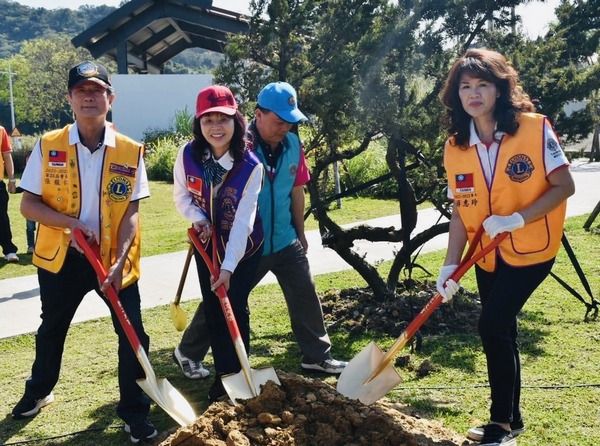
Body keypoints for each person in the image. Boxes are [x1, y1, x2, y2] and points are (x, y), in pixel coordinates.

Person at [12, 61, 157, 443]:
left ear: (111, 98)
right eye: (81, 91)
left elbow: (132, 212)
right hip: (62, 259)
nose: (89, 97)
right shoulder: (48, 144)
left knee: (133, 335)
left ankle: (134, 410)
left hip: (113, 262)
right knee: (51, 330)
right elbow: (28, 205)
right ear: (70, 99)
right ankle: (40, 391)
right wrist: (71, 225)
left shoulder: (130, 150)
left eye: (97, 91)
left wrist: (120, 260)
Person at [437, 48, 574, 446]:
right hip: (487, 255)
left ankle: (499, 426)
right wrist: (449, 267)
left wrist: (518, 219)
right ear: (457, 95)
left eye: (483, 84)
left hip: (532, 249)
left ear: (499, 89)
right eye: (466, 86)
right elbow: (461, 213)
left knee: (491, 324)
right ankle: (511, 420)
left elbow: (565, 186)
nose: (473, 93)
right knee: (503, 330)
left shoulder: (533, 129)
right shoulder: (455, 147)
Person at [173, 81, 347, 378]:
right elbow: (204, 190)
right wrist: (201, 219)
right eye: (280, 121)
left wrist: (301, 232)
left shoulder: (293, 145)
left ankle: (317, 356)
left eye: (291, 122)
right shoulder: (236, 145)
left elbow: (297, 190)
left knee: (304, 292)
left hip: (284, 239)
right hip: (248, 244)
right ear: (258, 115)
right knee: (226, 299)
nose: (285, 128)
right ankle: (188, 351)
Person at [172, 85, 264, 401]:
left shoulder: (251, 166)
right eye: (207, 119)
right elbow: (181, 197)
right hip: (206, 246)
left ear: (236, 121)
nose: (215, 127)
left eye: (222, 118)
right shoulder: (187, 155)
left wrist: (227, 267)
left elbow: (243, 222)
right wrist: (199, 218)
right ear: (198, 123)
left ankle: (237, 377)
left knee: (234, 308)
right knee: (213, 310)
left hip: (244, 249)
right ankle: (224, 381)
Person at [0, 123, 19, 262]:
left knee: (2, 218)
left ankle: (9, 250)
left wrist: (12, 180)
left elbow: (7, 156)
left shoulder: (1, 131)